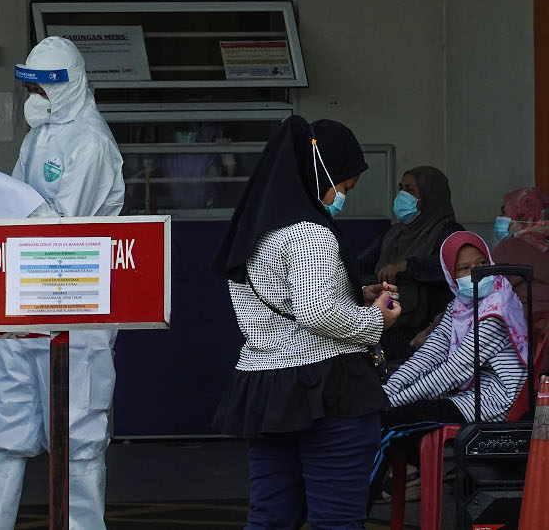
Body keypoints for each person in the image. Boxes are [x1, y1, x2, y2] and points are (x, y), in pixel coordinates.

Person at [0, 37, 125, 530]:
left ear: (71, 85)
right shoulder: (38, 136)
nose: (37, 95)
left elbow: (65, 226)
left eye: (47, 86)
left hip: (77, 310)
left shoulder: (91, 142)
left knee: (78, 441)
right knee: (4, 432)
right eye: (32, 85)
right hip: (26, 302)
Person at [211, 115, 402, 530]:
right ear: (320, 173)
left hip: (264, 386)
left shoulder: (253, 231)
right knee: (337, 519)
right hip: (329, 387)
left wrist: (356, 296)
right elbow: (317, 311)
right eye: (345, 187)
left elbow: (284, 303)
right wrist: (376, 320)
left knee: (271, 517)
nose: (342, 198)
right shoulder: (309, 233)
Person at [372, 231, 528, 497]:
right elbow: (428, 355)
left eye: (481, 264)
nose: (476, 273)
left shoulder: (497, 306)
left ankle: (350, 512)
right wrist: (387, 393)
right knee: (382, 416)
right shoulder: (461, 304)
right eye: (464, 268)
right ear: (450, 275)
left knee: (389, 424)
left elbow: (454, 371)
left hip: (493, 403)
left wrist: (392, 402)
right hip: (469, 396)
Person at [358, 167, 462, 361]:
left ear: (430, 196)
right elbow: (361, 264)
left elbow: (452, 266)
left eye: (410, 190)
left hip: (426, 326)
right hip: (391, 316)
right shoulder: (393, 233)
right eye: (401, 188)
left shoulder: (448, 231)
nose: (403, 195)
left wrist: (406, 265)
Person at [492, 187, 549, 339]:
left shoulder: (509, 248)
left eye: (505, 213)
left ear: (521, 214)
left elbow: (479, 291)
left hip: (529, 338)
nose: (500, 218)